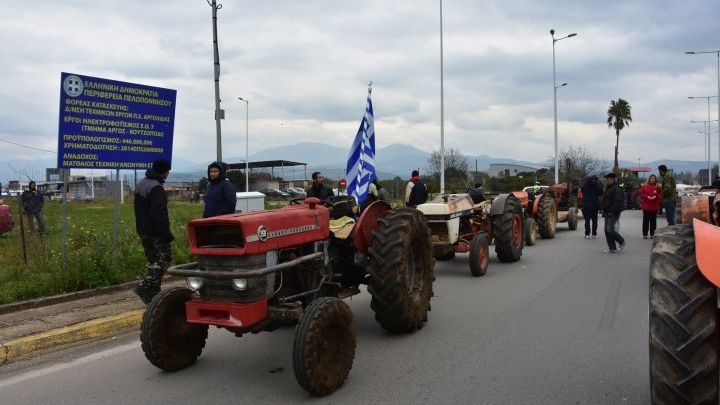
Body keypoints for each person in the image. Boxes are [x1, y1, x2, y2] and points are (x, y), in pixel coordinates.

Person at [133, 159, 174, 304]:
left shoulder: (142, 183)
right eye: (168, 171)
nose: (168, 173)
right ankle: (146, 287)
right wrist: (166, 234)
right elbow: (159, 213)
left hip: (143, 230)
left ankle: (154, 293)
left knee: (152, 261)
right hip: (155, 232)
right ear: (164, 171)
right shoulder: (156, 187)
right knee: (163, 260)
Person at [601, 172, 626, 253]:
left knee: (609, 229)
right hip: (607, 211)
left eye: (608, 179)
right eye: (606, 179)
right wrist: (602, 209)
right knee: (606, 230)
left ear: (613, 179)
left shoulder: (617, 188)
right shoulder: (608, 187)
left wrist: (612, 211)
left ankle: (621, 241)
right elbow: (605, 199)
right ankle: (612, 248)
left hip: (613, 212)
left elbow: (618, 202)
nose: (607, 181)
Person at [580, 175, 603, 239]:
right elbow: (601, 192)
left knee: (587, 220)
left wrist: (587, 181)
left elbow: (582, 187)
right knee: (594, 220)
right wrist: (598, 183)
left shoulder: (585, 186)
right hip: (594, 205)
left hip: (586, 205)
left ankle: (587, 234)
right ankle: (594, 234)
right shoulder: (596, 186)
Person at [640, 174, 662, 239]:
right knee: (645, 221)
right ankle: (645, 234)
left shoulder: (658, 186)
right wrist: (647, 197)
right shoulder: (644, 186)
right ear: (649, 179)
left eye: (653, 178)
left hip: (654, 206)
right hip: (646, 206)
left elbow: (661, 194)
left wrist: (656, 196)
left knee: (653, 221)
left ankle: (652, 234)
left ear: (655, 179)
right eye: (651, 178)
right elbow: (641, 194)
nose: (652, 179)